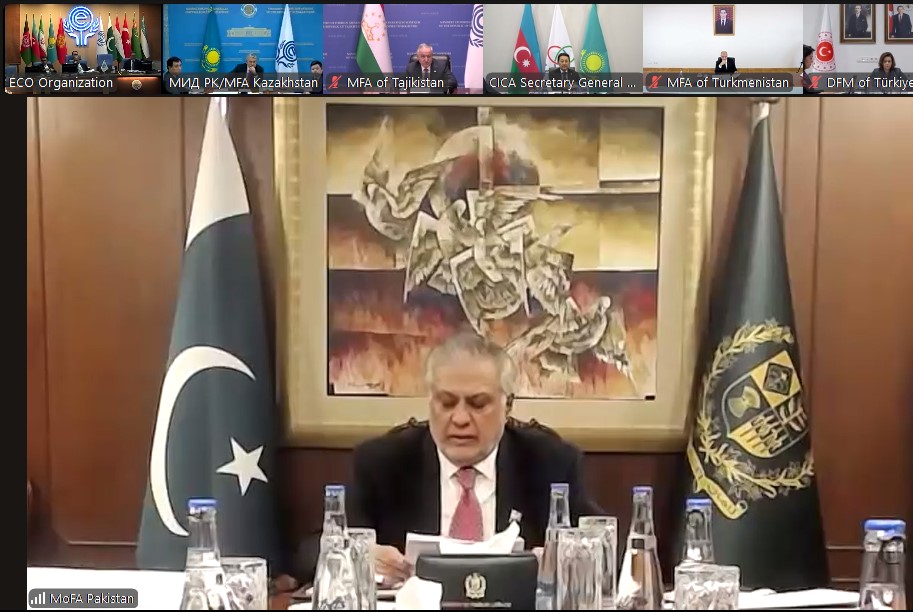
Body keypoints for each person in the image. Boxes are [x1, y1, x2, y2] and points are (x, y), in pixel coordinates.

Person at [293, 331, 602, 584]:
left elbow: (603, 549)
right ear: (430, 402)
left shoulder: (550, 463)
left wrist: (565, 557)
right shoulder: (383, 463)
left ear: (508, 406)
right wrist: (359, 555)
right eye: (446, 402)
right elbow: (308, 553)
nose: (460, 419)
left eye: (478, 404)